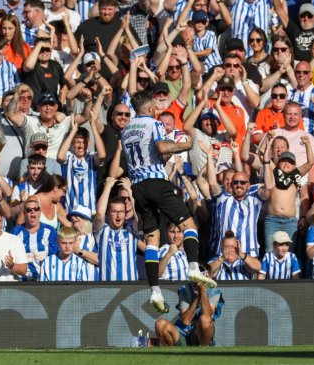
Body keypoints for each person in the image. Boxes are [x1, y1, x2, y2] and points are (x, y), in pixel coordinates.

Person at [119, 89, 216, 313]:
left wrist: (168, 154)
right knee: (189, 225)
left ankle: (155, 290)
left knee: (152, 238)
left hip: (138, 188)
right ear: (151, 108)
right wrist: (186, 144)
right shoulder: (154, 124)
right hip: (156, 182)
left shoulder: (126, 131)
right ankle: (193, 267)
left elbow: (152, 155)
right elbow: (162, 147)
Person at [155, 266, 224, 347]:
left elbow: (208, 315)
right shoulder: (184, 290)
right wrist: (196, 298)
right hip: (182, 331)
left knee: (205, 319)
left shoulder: (214, 291)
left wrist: (203, 293)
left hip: (199, 333)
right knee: (160, 324)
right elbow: (186, 321)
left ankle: (204, 350)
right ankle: (170, 354)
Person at [10, 196, 58, 280]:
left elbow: (54, 257)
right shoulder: (16, 232)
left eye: (36, 209)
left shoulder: (50, 231)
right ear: (24, 213)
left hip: (45, 279)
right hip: (23, 281)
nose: (32, 212)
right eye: (28, 210)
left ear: (40, 211)